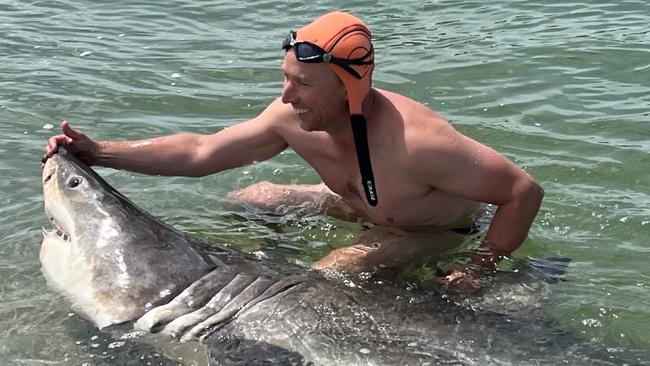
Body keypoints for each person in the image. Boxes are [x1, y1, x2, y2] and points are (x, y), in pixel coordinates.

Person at [42, 11, 543, 292]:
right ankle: (261, 266)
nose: (285, 97)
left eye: (301, 84)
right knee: (250, 197)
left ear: (348, 88)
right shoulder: (292, 119)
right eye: (286, 78)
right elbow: (200, 153)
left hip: (428, 228)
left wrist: (479, 269)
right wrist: (97, 152)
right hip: (358, 200)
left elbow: (522, 191)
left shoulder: (419, 145)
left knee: (330, 272)